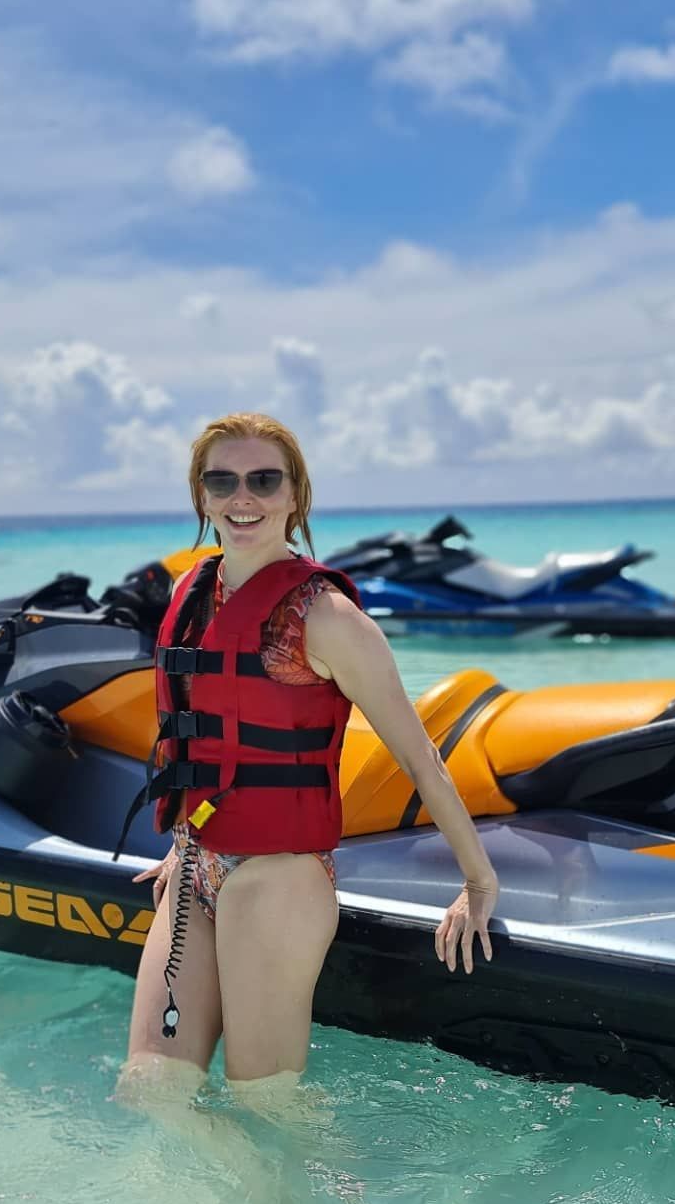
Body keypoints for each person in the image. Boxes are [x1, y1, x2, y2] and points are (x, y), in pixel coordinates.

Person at [117, 412, 499, 1111]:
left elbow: (420, 757)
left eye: (264, 480)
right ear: (201, 495)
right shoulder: (189, 595)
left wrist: (477, 880)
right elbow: (201, 743)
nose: (243, 498)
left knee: (264, 1106)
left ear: (295, 495)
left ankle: (329, 1187)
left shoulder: (327, 619)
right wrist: (184, 842)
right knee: (148, 1092)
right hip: (195, 867)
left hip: (279, 878)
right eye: (222, 481)